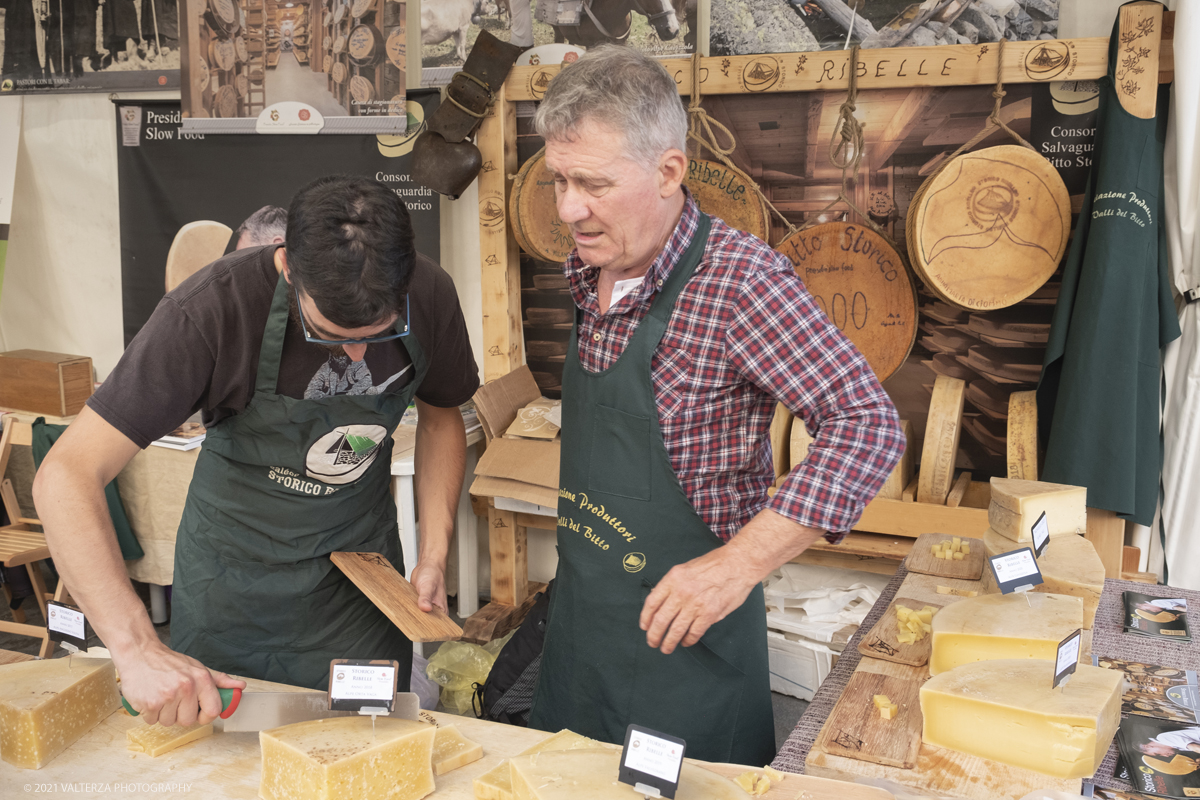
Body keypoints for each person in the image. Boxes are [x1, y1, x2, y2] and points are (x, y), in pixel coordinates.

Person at [526, 46, 905, 766]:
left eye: (594, 184)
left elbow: (867, 425)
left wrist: (738, 565)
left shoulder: (741, 284)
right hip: (582, 642)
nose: (570, 208)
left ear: (670, 171)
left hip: (686, 665)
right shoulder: (591, 263)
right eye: (559, 181)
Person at [33, 175, 479, 728]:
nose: (360, 351)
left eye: (380, 331)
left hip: (357, 587)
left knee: (364, 750)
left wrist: (434, 556)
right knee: (231, 759)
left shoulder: (429, 293)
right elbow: (65, 475)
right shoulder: (211, 310)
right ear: (288, 265)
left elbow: (441, 418)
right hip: (236, 584)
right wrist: (136, 648)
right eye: (332, 333)